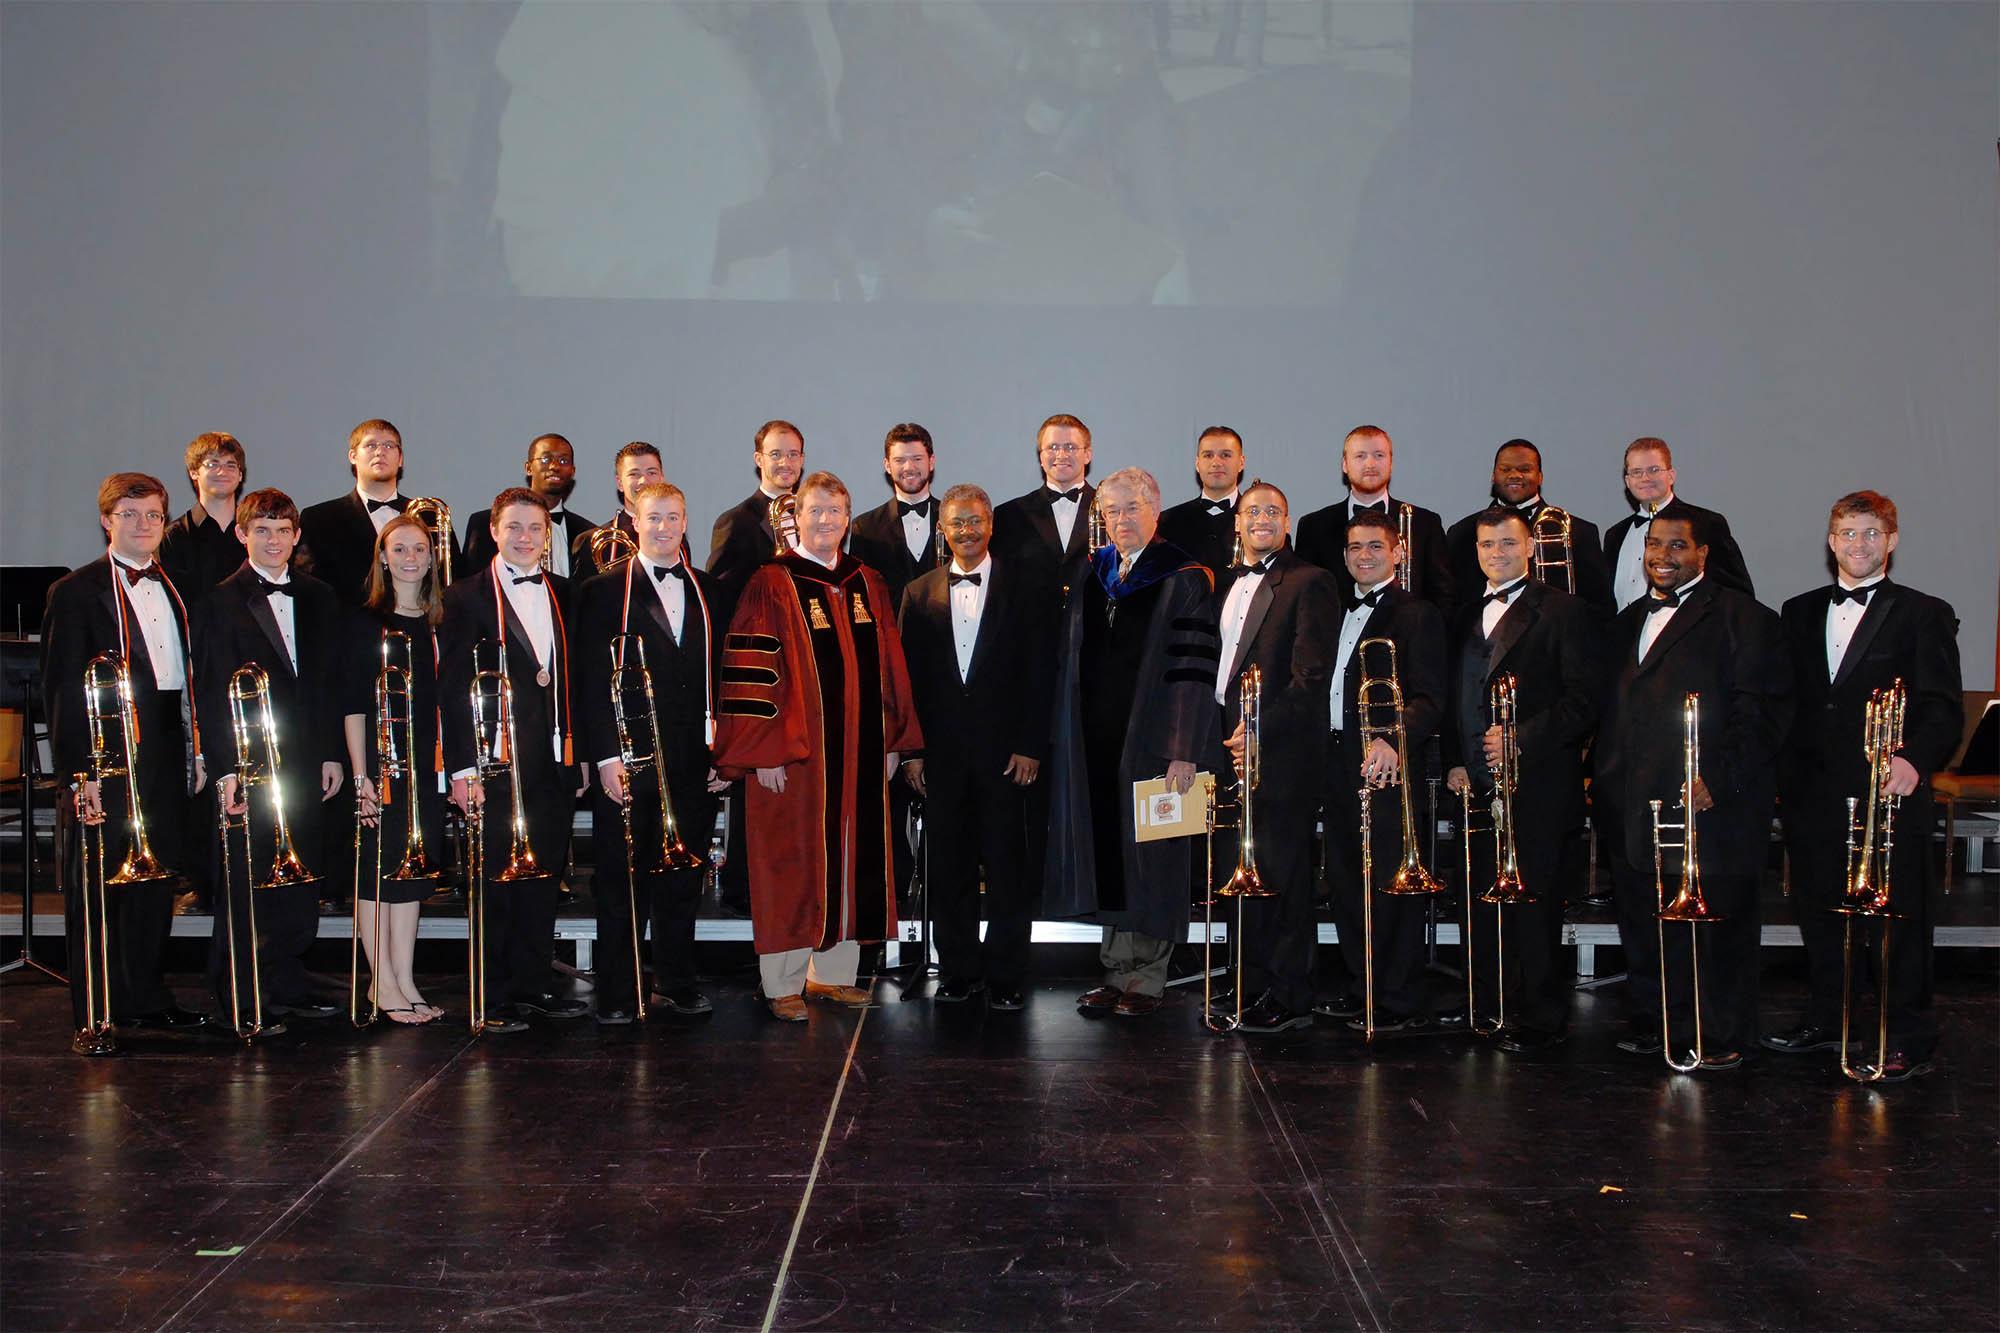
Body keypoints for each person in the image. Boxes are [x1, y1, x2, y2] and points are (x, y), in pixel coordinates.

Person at [1765, 491, 1961, 1079]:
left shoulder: (1924, 612)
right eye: (1847, 533)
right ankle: (1829, 1018)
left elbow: (1942, 705)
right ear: (1830, 542)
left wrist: (1916, 761)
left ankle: (1907, 1035)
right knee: (1821, 912)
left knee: (1900, 919)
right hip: (1813, 791)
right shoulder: (1796, 611)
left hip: (1889, 789)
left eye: (1870, 533)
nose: (1858, 544)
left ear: (1892, 541)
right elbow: (1790, 701)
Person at [713, 472, 922, 1021]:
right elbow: (754, 673)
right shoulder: (772, 582)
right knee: (789, 861)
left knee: (854, 855)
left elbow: (890, 666)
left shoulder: (866, 580)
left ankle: (832, 975)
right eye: (816, 512)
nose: (825, 521)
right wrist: (765, 753)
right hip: (796, 756)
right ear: (796, 518)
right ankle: (781, 981)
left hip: (859, 752)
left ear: (847, 519)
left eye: (835, 512)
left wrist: (893, 738)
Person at [1594, 512, 1790, 1070]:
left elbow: (1763, 713)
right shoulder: (1628, 619)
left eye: (1677, 545)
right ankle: (1662, 1024)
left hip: (1711, 801)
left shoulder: (1746, 618)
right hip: (1633, 801)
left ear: (1704, 554)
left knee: (1716, 930)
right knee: (1646, 923)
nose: (1662, 554)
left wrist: (1718, 780)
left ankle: (1721, 1035)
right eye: (1654, 544)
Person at [40, 473, 210, 1052]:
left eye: (154, 515)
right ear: (107, 520)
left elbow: (190, 678)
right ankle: (96, 1012)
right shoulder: (76, 591)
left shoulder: (179, 586)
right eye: (131, 514)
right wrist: (77, 775)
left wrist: (197, 748)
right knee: (98, 885)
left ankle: (145, 998)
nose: (144, 525)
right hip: (107, 747)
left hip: (166, 741)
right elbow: (63, 689)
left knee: (153, 877)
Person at [1042, 467, 1219, 1016]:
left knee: (1154, 857)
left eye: (1131, 508)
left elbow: (1193, 671)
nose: (1120, 519)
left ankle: (1148, 977)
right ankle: (1117, 972)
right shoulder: (1093, 572)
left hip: (1154, 745)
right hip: (1097, 743)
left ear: (1155, 510)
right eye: (1111, 511)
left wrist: (1183, 747)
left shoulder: (1184, 576)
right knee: (1110, 857)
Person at [1441, 508, 1601, 1052]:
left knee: (1534, 906)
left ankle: (1537, 1017)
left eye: (1507, 544)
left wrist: (1521, 737)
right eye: (1487, 545)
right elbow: (1457, 697)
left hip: (1538, 783)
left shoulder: (1564, 611)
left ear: (1530, 546)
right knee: (1480, 902)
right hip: (1477, 783)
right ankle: (1485, 1007)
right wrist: (1456, 760)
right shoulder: (1464, 614)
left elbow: (1584, 700)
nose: (1496, 554)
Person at [897, 484, 1056, 1011]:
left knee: (1010, 868)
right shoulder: (917, 593)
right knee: (949, 868)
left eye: (976, 522)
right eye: (956, 523)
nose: (966, 531)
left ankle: (1007, 974)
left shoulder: (1026, 585)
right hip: (940, 759)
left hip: (1009, 756)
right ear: (943, 530)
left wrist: (1031, 743)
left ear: (991, 525)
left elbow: (1041, 672)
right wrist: (913, 751)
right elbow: (908, 682)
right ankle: (959, 970)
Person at [440, 488, 590, 1032]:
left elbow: (579, 682)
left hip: (551, 759)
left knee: (542, 877)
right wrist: (459, 768)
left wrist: (583, 759)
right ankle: (493, 993)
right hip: (491, 763)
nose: (525, 538)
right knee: (495, 881)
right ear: (494, 533)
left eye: (535, 529)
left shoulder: (568, 594)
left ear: (547, 535)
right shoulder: (463, 598)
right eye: (514, 528)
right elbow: (453, 687)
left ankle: (533, 985)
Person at [575, 481, 725, 1024]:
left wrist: (724, 756)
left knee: (682, 875)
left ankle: (678, 980)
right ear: (634, 523)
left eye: (674, 517)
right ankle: (618, 989)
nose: (664, 527)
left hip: (693, 757)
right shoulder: (600, 591)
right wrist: (606, 757)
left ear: (686, 521)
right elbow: (590, 682)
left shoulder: (711, 591)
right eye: (654, 517)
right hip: (629, 757)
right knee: (620, 876)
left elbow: (724, 680)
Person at [197, 488, 346, 1025]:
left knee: (299, 874)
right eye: (262, 529)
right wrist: (224, 769)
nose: (274, 540)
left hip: (307, 757)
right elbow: (212, 689)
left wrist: (332, 754)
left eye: (283, 530)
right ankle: (239, 990)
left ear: (297, 535)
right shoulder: (219, 600)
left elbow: (327, 681)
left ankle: (286, 979)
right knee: (245, 878)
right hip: (250, 757)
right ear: (242, 535)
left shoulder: (318, 595)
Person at [1211, 480, 1339, 1033]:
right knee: (1242, 873)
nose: (1261, 517)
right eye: (1252, 511)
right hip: (1229, 745)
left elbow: (1310, 676)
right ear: (1237, 523)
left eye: (1274, 511)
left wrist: (1258, 731)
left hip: (1281, 753)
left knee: (1283, 877)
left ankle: (1290, 994)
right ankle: (1250, 984)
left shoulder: (1311, 581)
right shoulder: (1225, 584)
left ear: (1287, 523)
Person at [1313, 510, 1447, 1033]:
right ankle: (1360, 983)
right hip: (1339, 758)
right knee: (1347, 877)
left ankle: (1397, 995)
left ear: (1398, 553)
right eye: (1354, 548)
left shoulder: (1416, 612)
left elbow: (1431, 696)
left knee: (1390, 879)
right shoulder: (1340, 609)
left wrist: (1395, 738)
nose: (1363, 556)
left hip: (1386, 763)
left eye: (1374, 547)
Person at [343, 514, 451, 1024]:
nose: (411, 558)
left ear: (432, 557)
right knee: (376, 877)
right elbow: (353, 707)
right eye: (400, 549)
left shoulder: (438, 624)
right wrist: (361, 776)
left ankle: (405, 977)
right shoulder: (364, 622)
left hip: (424, 769)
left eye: (420, 549)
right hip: (381, 770)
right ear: (383, 558)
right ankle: (378, 983)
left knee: (412, 875)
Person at [298, 419, 462, 608]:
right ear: (352, 456)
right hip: (348, 631)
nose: (380, 451)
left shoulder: (430, 515)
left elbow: (454, 581)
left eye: (389, 445)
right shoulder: (318, 519)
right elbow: (308, 589)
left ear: (400, 459)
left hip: (420, 628)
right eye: (370, 445)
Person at [1294, 424, 1454, 616]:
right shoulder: (1313, 527)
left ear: (1391, 463)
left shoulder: (1425, 523)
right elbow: (1304, 598)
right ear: (1345, 464)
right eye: (1360, 456)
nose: (1370, 464)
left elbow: (1443, 597)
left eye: (1379, 455)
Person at [1444, 439, 1614, 617]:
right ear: (1493, 476)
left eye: (1525, 469)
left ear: (1540, 477)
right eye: (1505, 469)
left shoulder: (1579, 532)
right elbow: (1452, 603)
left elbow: (1601, 606)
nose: (1514, 475)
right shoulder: (1462, 532)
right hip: (1486, 642)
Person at [1603, 437, 1752, 610]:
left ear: (1671, 476)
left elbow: (1737, 594)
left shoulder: (1706, 523)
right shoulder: (1615, 534)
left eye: (1654, 470)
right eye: (1637, 472)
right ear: (1628, 481)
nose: (1645, 478)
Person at [990, 413, 1099, 601]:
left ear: (1087, 454)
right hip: (1031, 629)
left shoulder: (1111, 510)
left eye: (1071, 447)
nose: (1061, 454)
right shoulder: (1008, 515)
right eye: (1052, 447)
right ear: (1040, 456)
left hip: (1093, 627)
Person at [706, 419, 806, 614]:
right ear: (759, 459)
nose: (785, 463)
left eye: (793, 454)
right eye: (775, 454)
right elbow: (721, 594)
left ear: (802, 460)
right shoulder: (735, 521)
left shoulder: (813, 517)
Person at [463, 433, 596, 579]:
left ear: (573, 471)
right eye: (546, 459)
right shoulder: (483, 523)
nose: (554, 466)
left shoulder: (588, 532)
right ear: (529, 468)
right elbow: (471, 584)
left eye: (564, 461)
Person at [848, 422, 944, 608]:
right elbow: (859, 597)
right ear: (887, 465)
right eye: (900, 460)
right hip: (889, 635)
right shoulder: (864, 527)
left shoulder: (954, 522)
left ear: (931, 462)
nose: (909, 467)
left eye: (917, 459)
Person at [158, 431, 248, 609]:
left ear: (240, 475)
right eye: (212, 464)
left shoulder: (256, 532)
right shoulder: (172, 537)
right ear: (193, 472)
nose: (222, 471)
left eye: (231, 465)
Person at [1157, 426, 1246, 580]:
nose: (1216, 462)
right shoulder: (1167, 522)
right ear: (1197, 464)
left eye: (1225, 455)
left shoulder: (1259, 524)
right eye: (1208, 455)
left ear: (1241, 462)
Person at [568, 441, 664, 583]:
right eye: (634, 474)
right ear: (620, 483)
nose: (644, 480)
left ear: (662, 478)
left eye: (652, 472)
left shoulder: (675, 537)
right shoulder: (593, 542)